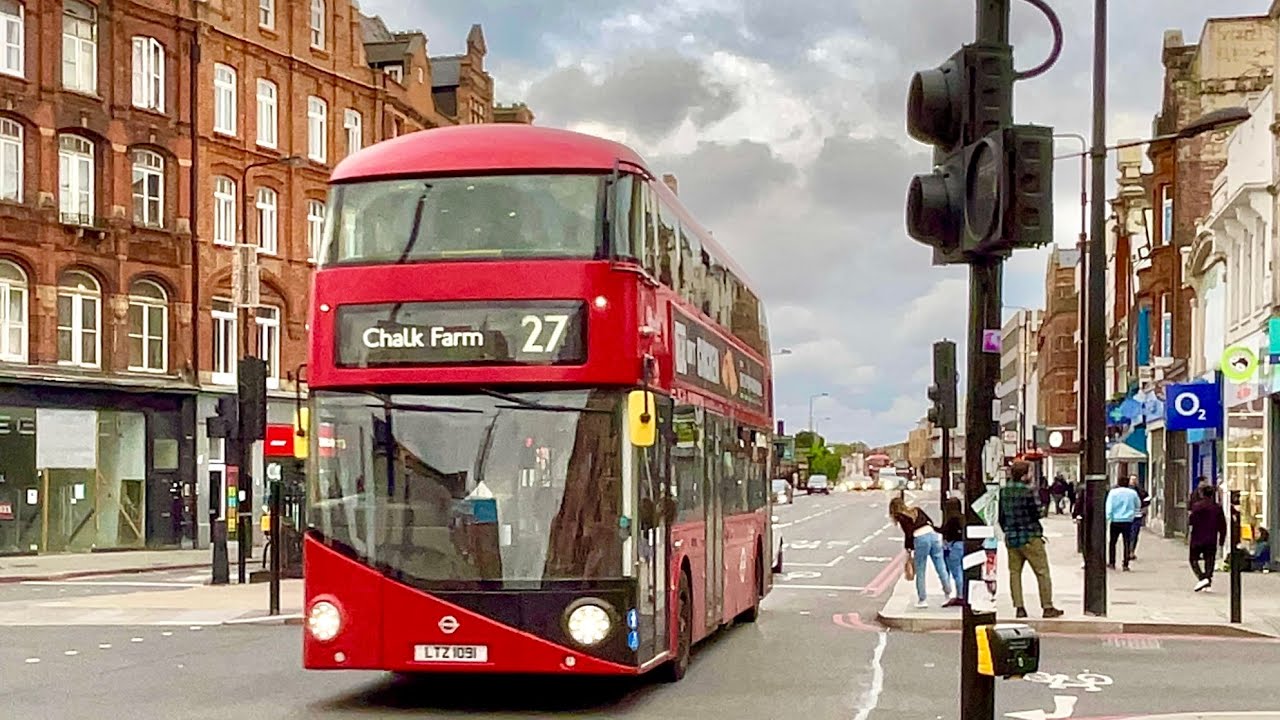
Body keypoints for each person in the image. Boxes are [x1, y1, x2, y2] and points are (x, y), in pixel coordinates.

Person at [997, 460, 1064, 619]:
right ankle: (1047, 606)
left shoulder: (1004, 491)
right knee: (1042, 572)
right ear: (1024, 475)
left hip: (1012, 537)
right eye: (1030, 472)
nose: (1031, 475)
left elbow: (1001, 516)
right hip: (1030, 535)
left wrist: (1008, 529)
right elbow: (1037, 513)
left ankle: (1019, 607)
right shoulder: (1029, 491)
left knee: (1014, 573)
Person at [889, 496, 953, 608]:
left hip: (920, 538)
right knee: (940, 566)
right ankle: (948, 593)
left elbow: (908, 533)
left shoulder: (901, 517)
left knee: (921, 569)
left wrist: (909, 549)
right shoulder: (917, 510)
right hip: (932, 535)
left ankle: (922, 600)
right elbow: (930, 522)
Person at [1187, 483, 1226, 591]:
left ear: (1201, 493)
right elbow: (1222, 525)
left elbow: (1191, 522)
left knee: (1193, 559)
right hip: (1211, 538)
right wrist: (1222, 539)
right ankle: (1208, 579)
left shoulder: (1196, 507)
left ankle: (1202, 578)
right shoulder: (1217, 508)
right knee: (1210, 560)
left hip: (1197, 537)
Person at [1105, 476, 1141, 571]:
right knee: (1127, 542)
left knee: (1113, 542)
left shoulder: (1113, 493)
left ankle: (1112, 562)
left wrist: (1108, 517)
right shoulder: (1133, 493)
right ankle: (1125, 564)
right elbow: (1138, 505)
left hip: (1115, 520)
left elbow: (1109, 506)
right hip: (1128, 520)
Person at [940, 497, 965, 607]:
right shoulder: (963, 517)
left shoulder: (950, 519)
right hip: (962, 545)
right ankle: (962, 594)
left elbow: (945, 532)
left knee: (956, 572)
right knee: (961, 571)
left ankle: (959, 596)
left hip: (953, 547)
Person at [1129, 476, 1150, 561]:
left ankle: (1131, 551)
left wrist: (1143, 507)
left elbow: (1147, 499)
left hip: (1137, 515)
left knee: (1134, 534)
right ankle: (1129, 551)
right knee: (1130, 534)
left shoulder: (1140, 490)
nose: (1133, 481)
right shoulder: (1127, 490)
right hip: (1129, 515)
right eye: (1132, 479)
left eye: (1135, 479)